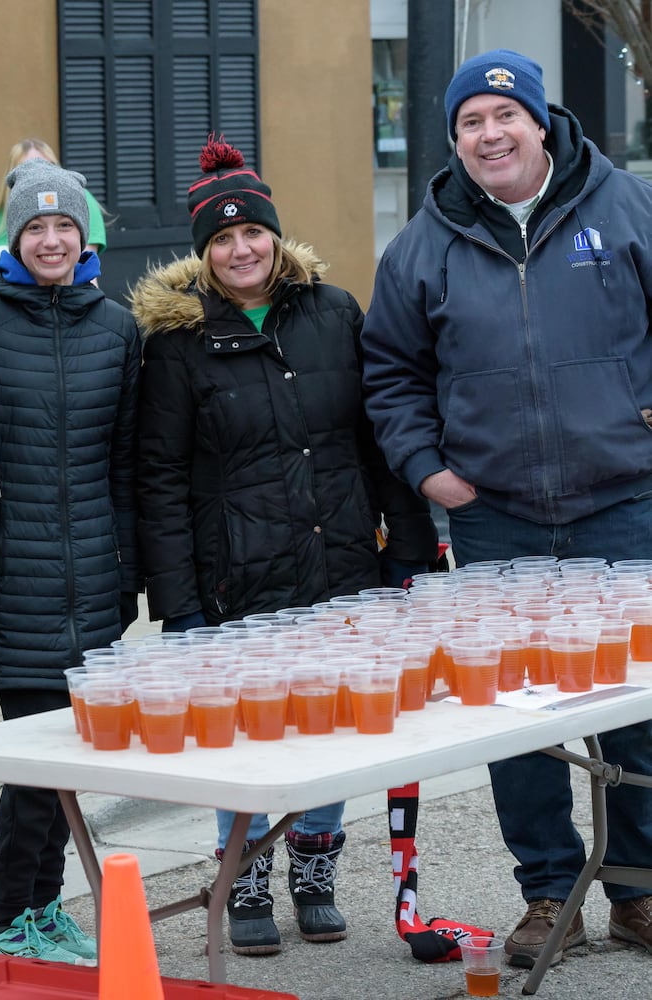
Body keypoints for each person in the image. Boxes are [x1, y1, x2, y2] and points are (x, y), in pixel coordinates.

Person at [362, 48, 652, 968]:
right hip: (497, 518)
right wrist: (426, 470)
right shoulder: (423, 245)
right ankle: (546, 893)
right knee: (512, 720)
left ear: (540, 121)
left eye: (503, 117)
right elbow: (392, 373)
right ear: (455, 142)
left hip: (625, 503)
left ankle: (641, 894)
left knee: (637, 707)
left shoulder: (628, 207)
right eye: (469, 125)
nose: (490, 136)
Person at [132, 136, 436, 956]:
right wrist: (179, 604)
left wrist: (408, 552)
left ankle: (313, 864)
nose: (241, 250)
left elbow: (376, 441)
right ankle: (248, 872)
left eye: (252, 233)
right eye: (222, 240)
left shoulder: (334, 312)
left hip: (340, 562)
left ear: (275, 235)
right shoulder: (177, 344)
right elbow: (158, 477)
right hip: (237, 575)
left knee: (333, 726)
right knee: (245, 735)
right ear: (203, 254)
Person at [0, 158, 139, 964]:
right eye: (37, 227)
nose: (53, 239)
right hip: (10, 569)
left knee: (67, 757)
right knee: (33, 758)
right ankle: (9, 918)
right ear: (12, 238)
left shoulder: (117, 328)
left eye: (66, 226)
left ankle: (46, 907)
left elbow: (127, 461)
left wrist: (130, 573)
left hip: (93, 576)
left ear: (85, 237)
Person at [0, 139, 107, 298]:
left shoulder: (80, 201)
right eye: (35, 227)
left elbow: (85, 268)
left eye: (64, 224)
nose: (38, 173)